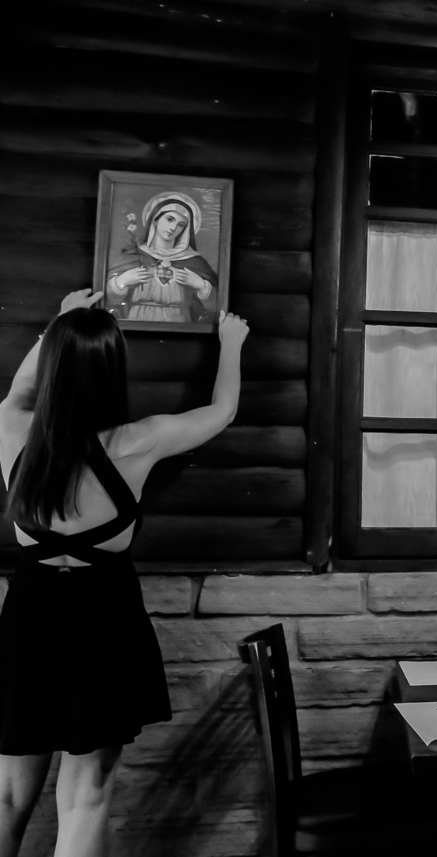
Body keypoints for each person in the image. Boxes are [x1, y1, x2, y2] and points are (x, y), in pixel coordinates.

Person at [0, 289, 248, 857]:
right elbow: (222, 412)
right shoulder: (139, 441)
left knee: (8, 795)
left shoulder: (10, 429)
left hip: (27, 620)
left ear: (53, 363)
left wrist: (59, 323)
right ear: (113, 371)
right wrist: (230, 344)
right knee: (86, 796)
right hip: (101, 621)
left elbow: (20, 389)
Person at [105, 191, 219, 324]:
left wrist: (201, 285)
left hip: (179, 327)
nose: (173, 227)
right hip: (137, 325)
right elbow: (108, 300)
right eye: (170, 219)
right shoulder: (134, 256)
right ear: (155, 219)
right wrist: (122, 280)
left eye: (181, 224)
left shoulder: (193, 261)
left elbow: (216, 305)